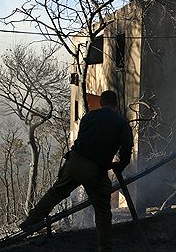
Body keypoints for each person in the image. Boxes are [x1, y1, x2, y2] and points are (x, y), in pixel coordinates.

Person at [19, 90, 133, 252]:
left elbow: (83, 139)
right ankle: (105, 248)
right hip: (95, 168)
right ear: (116, 104)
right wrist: (119, 166)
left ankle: (31, 221)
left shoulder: (88, 117)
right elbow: (126, 150)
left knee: (56, 192)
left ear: (101, 103)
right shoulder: (121, 123)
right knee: (102, 211)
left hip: (74, 160)